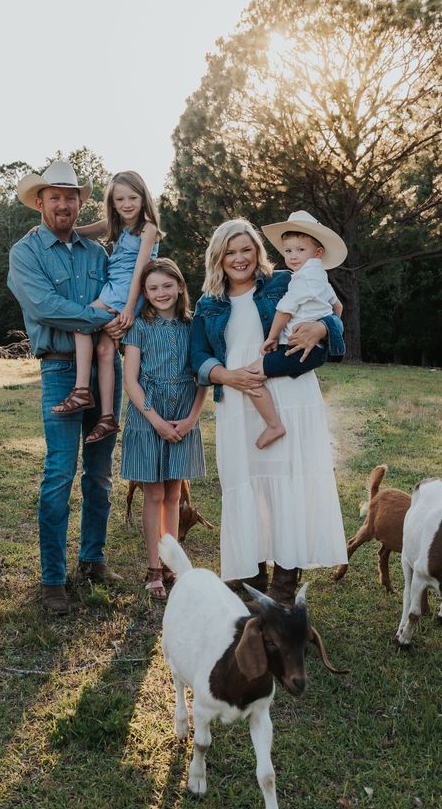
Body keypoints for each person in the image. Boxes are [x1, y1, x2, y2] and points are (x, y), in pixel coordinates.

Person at [190, 218, 347, 604]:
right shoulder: (209, 303)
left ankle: (284, 583)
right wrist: (226, 375)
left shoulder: (284, 282)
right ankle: (251, 573)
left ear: (257, 253)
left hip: (289, 398)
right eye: (230, 251)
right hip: (237, 404)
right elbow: (196, 356)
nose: (239, 258)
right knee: (245, 484)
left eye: (246, 249)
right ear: (218, 257)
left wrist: (325, 328)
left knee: (285, 484)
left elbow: (330, 328)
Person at [7, 159, 125, 615]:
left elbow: (128, 283)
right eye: (54, 196)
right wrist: (105, 319)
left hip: (105, 369)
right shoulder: (26, 253)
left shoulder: (98, 254)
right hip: (59, 371)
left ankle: (93, 559)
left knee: (100, 473)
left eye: (71, 197)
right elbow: (46, 307)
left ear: (80, 203)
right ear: (40, 202)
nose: (63, 204)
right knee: (59, 473)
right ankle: (52, 579)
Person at [52, 171, 162, 445]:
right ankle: (108, 417)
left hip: (127, 289)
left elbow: (141, 270)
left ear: (143, 198)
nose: (126, 204)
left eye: (133, 198)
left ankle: (81, 390)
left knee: (81, 320)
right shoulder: (117, 225)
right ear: (112, 203)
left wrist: (128, 307)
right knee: (104, 348)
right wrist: (45, 230)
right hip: (116, 288)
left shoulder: (148, 229)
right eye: (119, 199)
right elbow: (77, 231)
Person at [121, 259, 207, 600]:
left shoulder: (193, 325)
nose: (161, 293)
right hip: (148, 416)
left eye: (167, 286)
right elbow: (130, 380)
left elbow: (203, 375)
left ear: (181, 287)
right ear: (144, 292)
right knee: (153, 494)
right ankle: (154, 568)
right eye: (153, 288)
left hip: (184, 415)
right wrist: (155, 419)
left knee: (174, 495)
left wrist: (190, 419)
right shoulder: (139, 327)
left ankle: (173, 564)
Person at [243, 210, 346, 449]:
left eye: (301, 250)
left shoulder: (303, 279)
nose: (293, 256)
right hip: (315, 349)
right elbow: (338, 307)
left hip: (297, 349)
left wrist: (271, 338)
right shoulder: (321, 278)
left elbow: (284, 310)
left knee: (249, 376)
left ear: (318, 253)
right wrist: (326, 327)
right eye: (288, 251)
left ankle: (273, 425)